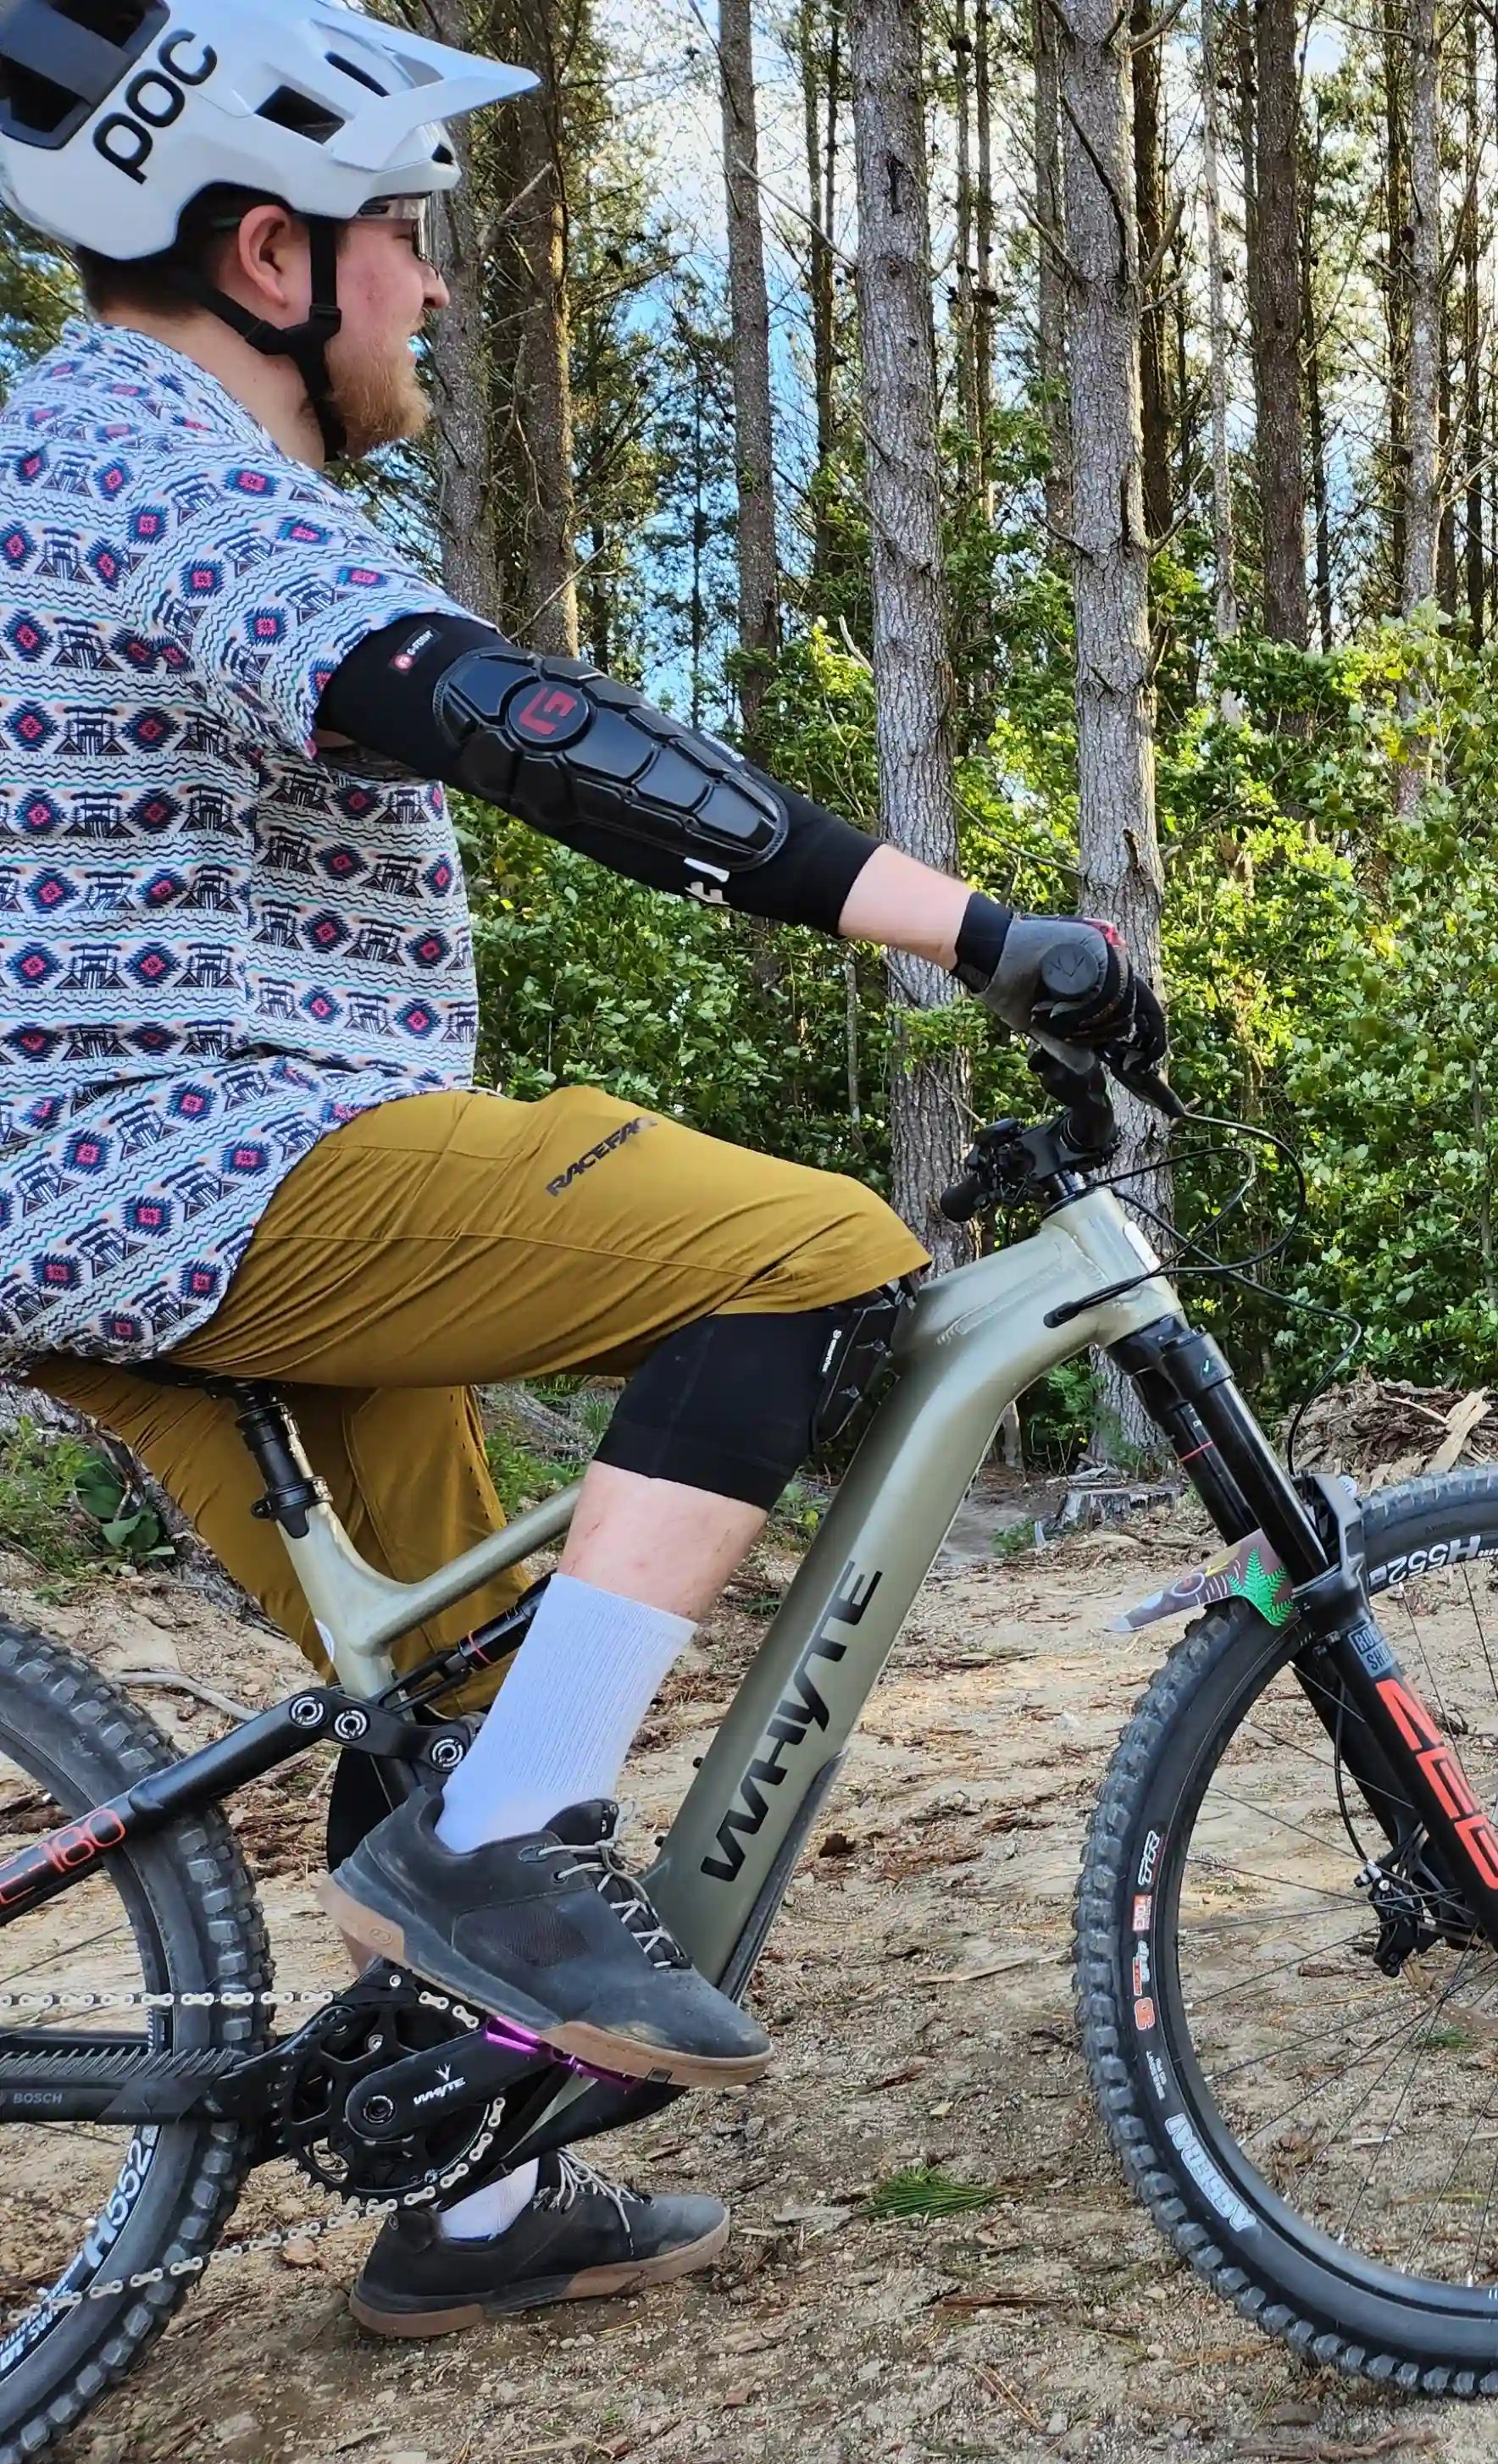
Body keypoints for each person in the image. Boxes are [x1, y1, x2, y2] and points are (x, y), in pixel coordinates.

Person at [0, 0, 1164, 2334]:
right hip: (197, 1177)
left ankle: (465, 2193)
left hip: (152, 1204)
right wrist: (969, 927)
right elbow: (521, 724)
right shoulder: (144, 461)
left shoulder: (103, 453)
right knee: (807, 1248)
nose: (435, 282)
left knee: (474, 1669)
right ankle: (506, 1850)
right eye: (406, 238)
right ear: (265, 254)